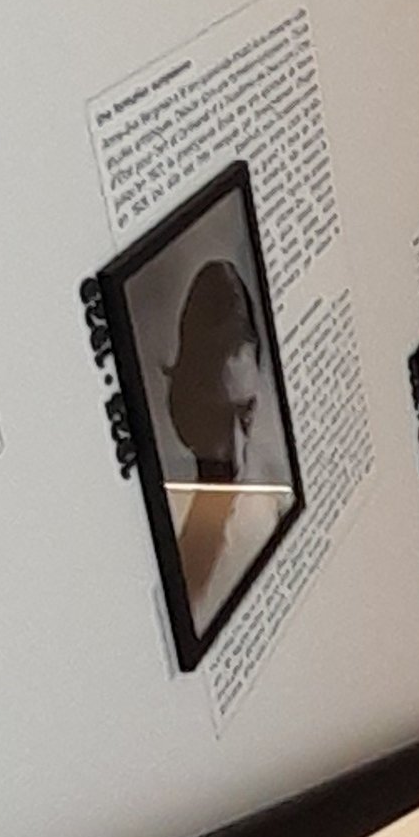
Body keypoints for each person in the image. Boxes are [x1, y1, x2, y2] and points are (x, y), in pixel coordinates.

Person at [164, 255, 273, 624]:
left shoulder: (272, 500)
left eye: (246, 413)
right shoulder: (170, 527)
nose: (236, 451)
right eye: (218, 418)